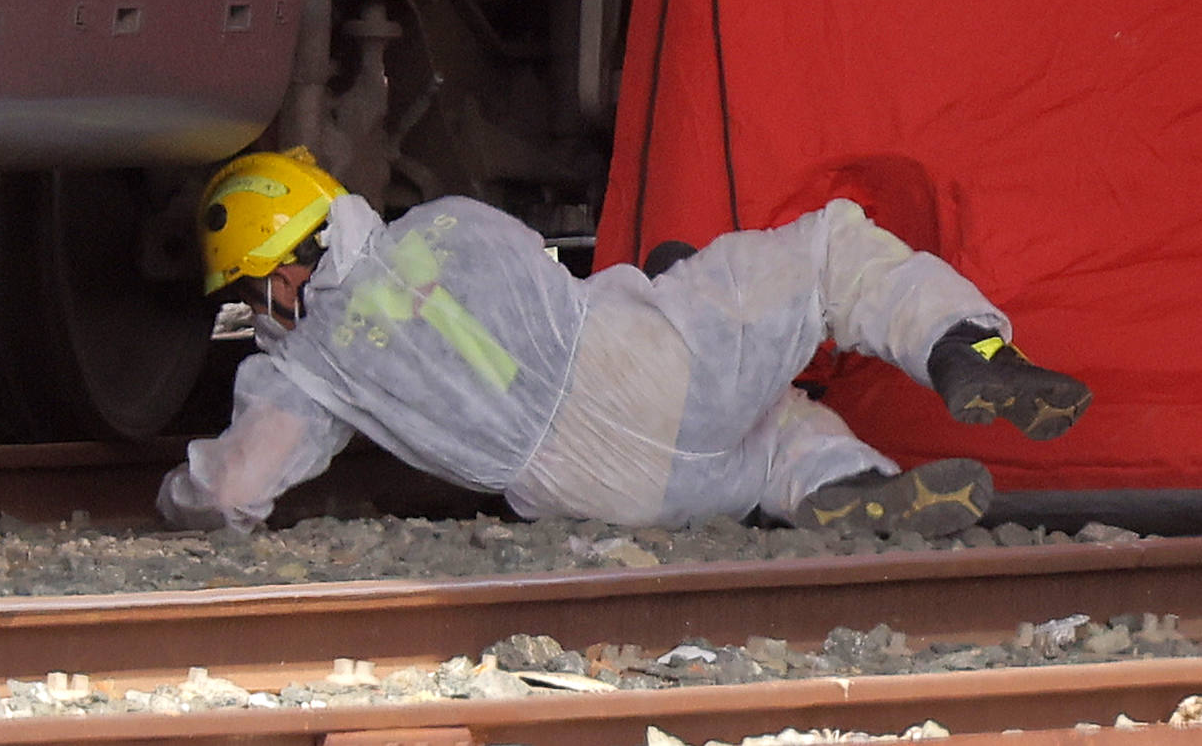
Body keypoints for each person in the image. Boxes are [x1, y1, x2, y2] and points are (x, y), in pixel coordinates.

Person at [158, 148, 1092, 537]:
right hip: (637, 363)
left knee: (767, 439)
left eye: (248, 287)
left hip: (598, 493)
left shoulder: (311, 375)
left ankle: (849, 490)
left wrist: (178, 501)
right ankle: (966, 346)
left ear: (281, 265)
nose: (258, 306)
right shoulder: (439, 224)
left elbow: (232, 486)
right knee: (827, 256)